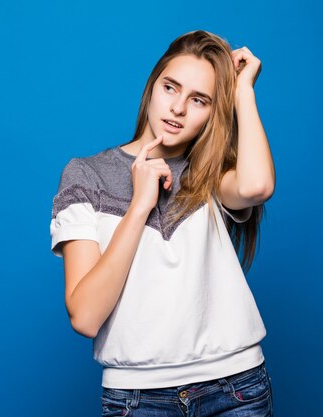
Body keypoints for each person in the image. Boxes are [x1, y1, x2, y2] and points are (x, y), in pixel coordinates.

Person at [49, 30, 276, 416]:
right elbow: (85, 316)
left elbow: (256, 186)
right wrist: (140, 205)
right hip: (137, 399)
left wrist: (242, 92)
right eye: (170, 88)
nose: (178, 108)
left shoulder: (210, 173)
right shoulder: (87, 175)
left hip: (235, 387)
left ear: (211, 112)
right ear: (152, 86)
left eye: (199, 100)